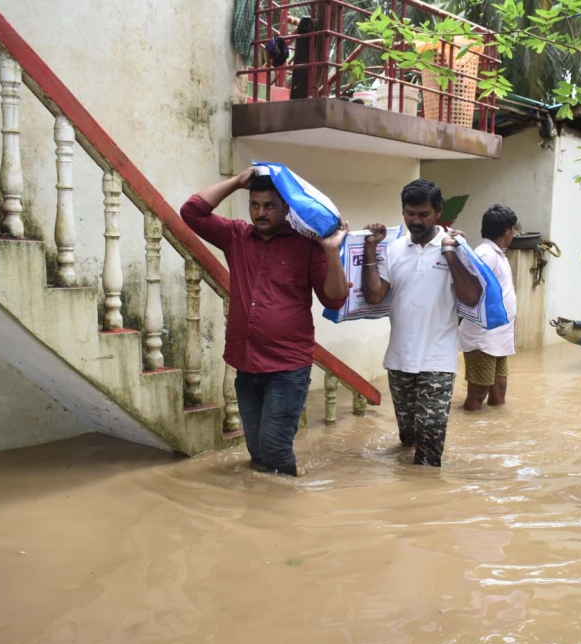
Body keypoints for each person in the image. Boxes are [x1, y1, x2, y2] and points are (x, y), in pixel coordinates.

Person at [180, 167, 349, 476]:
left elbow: (335, 299)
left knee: (274, 447)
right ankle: (262, 508)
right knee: (256, 450)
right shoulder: (235, 236)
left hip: (288, 367)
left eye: (269, 206)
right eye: (254, 204)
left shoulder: (307, 245)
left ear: (286, 208)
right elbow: (192, 212)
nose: (260, 212)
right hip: (246, 364)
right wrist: (238, 181)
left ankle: (286, 507)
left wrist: (331, 252)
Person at [360, 179, 483, 466]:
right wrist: (370, 248)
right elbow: (376, 295)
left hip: (438, 361)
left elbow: (472, 297)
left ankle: (425, 504)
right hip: (400, 359)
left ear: (437, 212)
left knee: (428, 452)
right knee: (408, 439)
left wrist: (449, 252)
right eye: (409, 214)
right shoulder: (393, 249)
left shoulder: (457, 246)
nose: (415, 221)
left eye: (423, 214)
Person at [459, 205, 519, 411]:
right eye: (513, 229)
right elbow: (472, 291)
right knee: (478, 393)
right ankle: (469, 428)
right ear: (507, 231)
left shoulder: (498, 254)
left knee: (499, 390)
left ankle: (496, 433)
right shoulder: (486, 254)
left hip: (499, 335)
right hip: (483, 337)